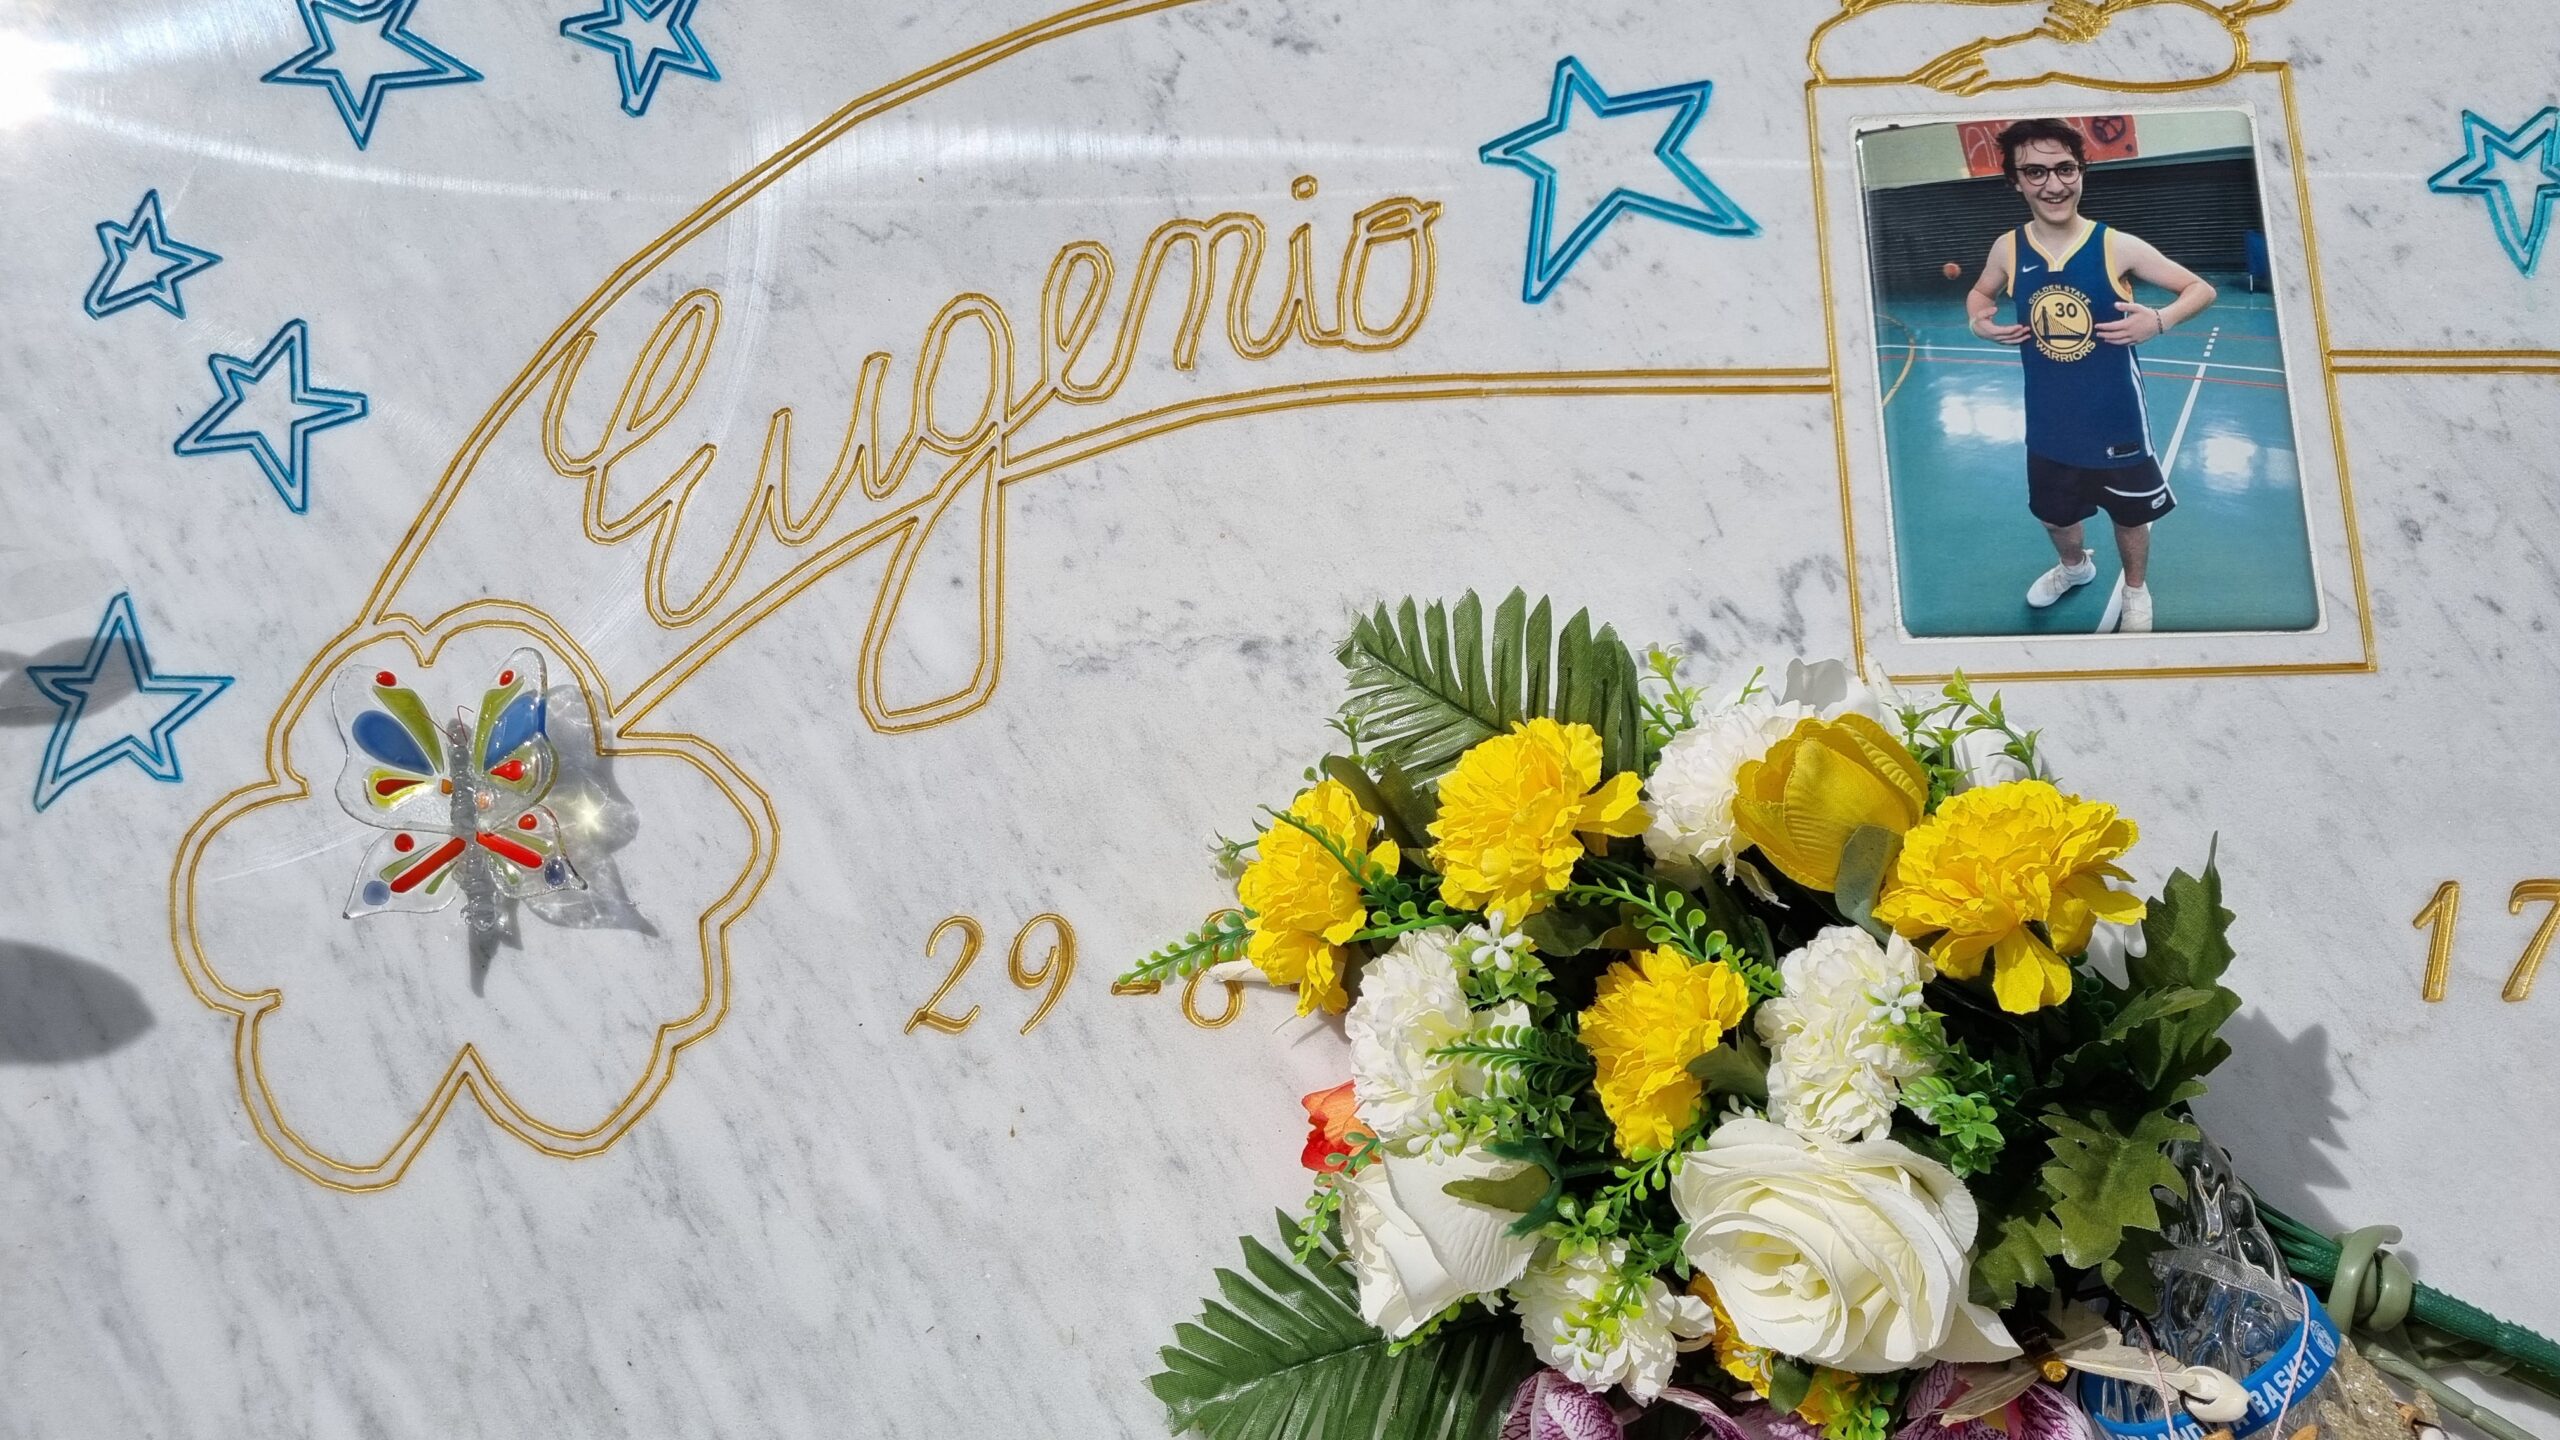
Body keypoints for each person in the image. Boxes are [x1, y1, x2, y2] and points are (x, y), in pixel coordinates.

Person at [1965, 117, 2215, 632]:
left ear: (2081, 172)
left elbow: (2200, 289)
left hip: (2115, 419)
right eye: (2035, 172)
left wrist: (2159, 320)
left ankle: (2136, 591)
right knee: (2054, 515)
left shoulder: (2115, 245)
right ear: (2015, 181)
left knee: (2131, 516)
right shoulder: (2007, 248)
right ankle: (2075, 568)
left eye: (2064, 168)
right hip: (2048, 422)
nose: (2053, 184)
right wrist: (1978, 322)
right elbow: (1980, 292)